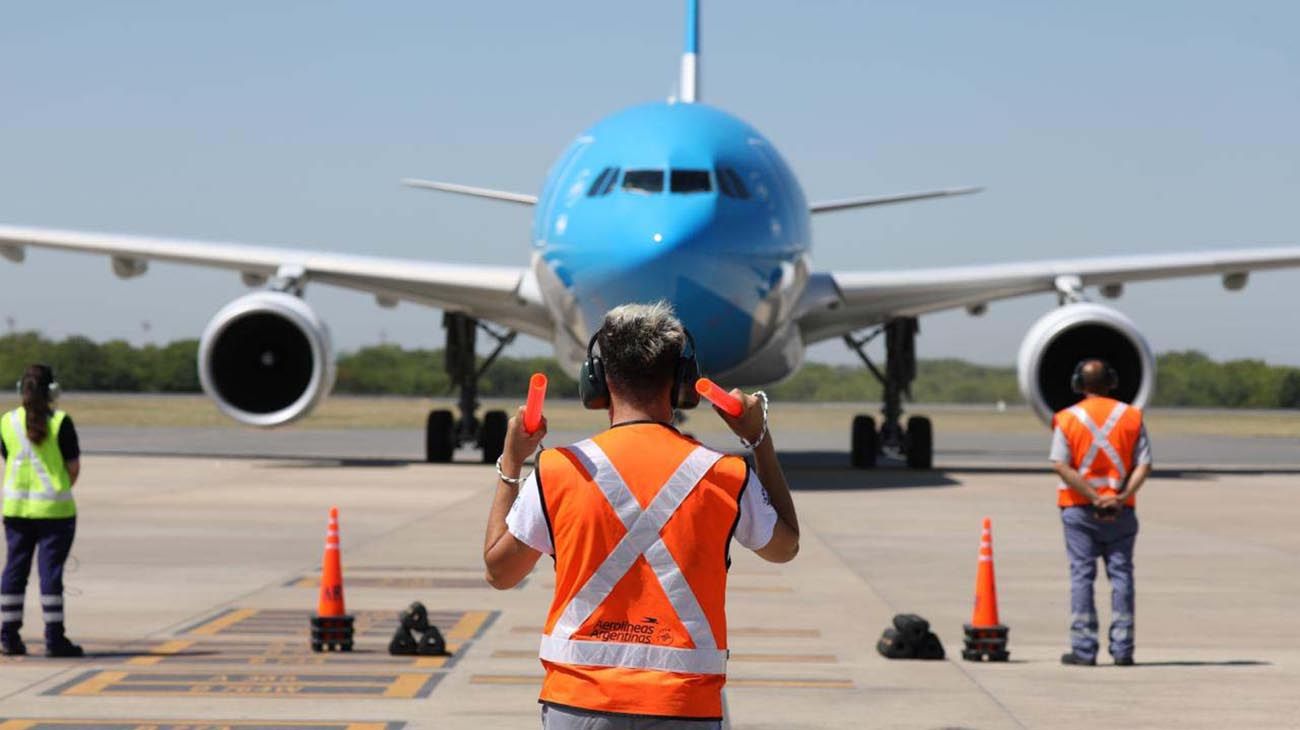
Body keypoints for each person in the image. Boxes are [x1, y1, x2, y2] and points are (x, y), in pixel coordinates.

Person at [483, 302, 799, 728]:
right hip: (684, 704)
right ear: (683, 383)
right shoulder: (724, 474)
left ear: (597, 380)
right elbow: (785, 547)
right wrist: (758, 438)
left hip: (579, 701)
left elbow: (500, 572)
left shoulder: (559, 470)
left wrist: (511, 463)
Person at [1050, 358, 1151, 667]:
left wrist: (1094, 496)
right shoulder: (1132, 417)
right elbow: (1144, 464)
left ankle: (1083, 649)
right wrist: (1120, 496)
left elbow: (1060, 464)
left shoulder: (1067, 419)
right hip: (1121, 512)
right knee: (1122, 576)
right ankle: (1123, 649)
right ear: (1112, 381)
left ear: (1079, 383)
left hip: (1080, 510)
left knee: (1082, 576)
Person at [1, 364, 84, 657]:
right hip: (54, 511)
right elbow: (73, 468)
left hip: (15, 511)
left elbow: (8, 457)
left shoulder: (7, 421)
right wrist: (58, 488)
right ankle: (54, 638)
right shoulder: (60, 422)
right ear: (53, 392)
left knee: (14, 570)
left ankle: (8, 636)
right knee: (50, 575)